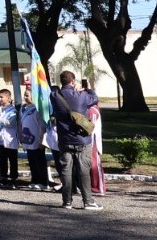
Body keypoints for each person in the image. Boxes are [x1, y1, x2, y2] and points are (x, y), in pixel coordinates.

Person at [51, 71, 101, 210]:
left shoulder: (55, 96)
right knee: (83, 171)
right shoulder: (82, 96)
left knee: (66, 170)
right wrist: (88, 88)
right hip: (82, 139)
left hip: (64, 139)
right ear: (73, 82)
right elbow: (95, 98)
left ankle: (67, 201)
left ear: (61, 81)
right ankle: (88, 201)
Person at [19, 89, 52, 191]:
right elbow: (21, 124)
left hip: (37, 139)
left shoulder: (38, 109)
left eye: (27, 95)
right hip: (27, 139)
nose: (25, 97)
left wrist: (42, 139)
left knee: (39, 161)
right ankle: (34, 180)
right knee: (32, 161)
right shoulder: (22, 109)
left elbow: (42, 126)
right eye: (24, 95)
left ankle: (43, 182)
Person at [0, 88, 19, 188]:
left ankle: (14, 179)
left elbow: (10, 123)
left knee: (12, 160)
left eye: (2, 97)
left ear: (8, 98)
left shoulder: (13, 110)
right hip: (1, 139)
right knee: (2, 159)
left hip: (10, 139)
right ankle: (4, 178)